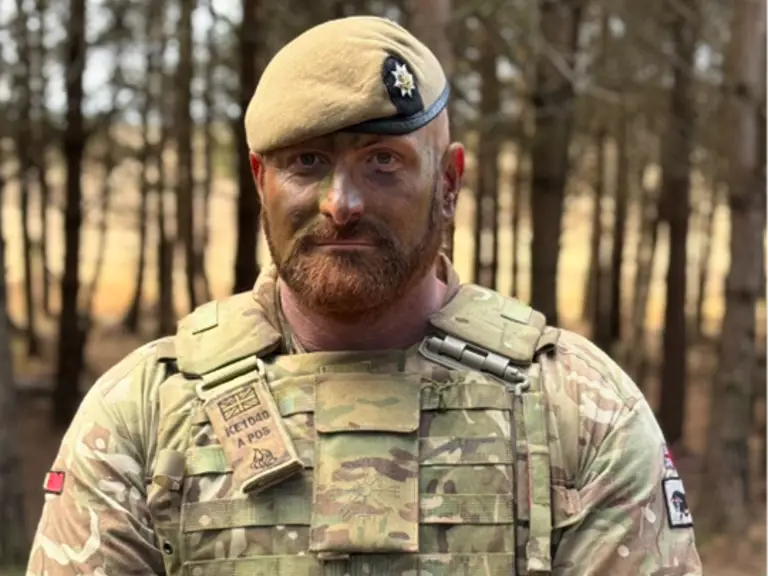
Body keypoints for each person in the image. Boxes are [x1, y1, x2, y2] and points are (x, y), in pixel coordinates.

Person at [25, 15, 702, 576]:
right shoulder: (143, 414)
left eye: (383, 161)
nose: (341, 204)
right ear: (260, 180)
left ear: (448, 182)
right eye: (307, 161)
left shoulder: (579, 411)